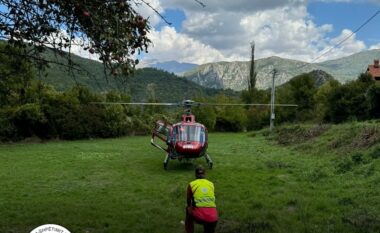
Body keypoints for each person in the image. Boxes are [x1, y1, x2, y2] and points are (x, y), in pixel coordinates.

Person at [185, 165, 218, 233]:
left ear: (195, 174)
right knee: (209, 226)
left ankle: (189, 231)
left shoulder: (192, 184)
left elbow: (188, 200)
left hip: (200, 217)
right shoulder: (211, 184)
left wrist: (190, 206)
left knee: (188, 209)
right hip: (214, 217)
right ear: (205, 174)